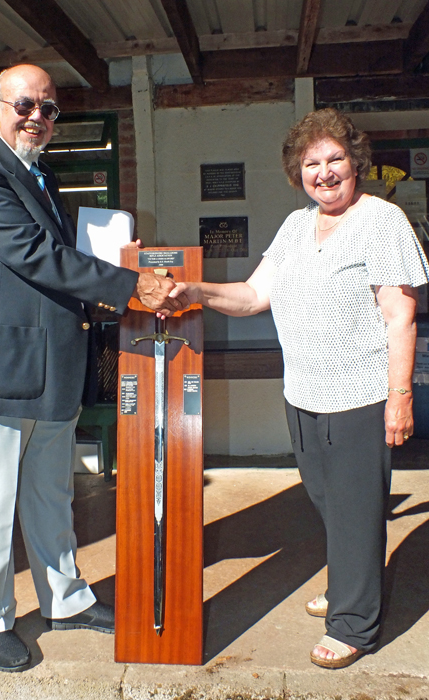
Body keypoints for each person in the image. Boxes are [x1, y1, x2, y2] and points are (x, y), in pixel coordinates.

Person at [0, 64, 185, 673]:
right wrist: (132, 286)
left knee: (51, 496)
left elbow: (67, 257)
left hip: (53, 366)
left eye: (49, 109)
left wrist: (116, 272)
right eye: (25, 104)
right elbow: (35, 256)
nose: (37, 118)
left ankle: (67, 600)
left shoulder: (42, 175)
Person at [170, 108, 429, 669]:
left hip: (359, 395)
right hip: (303, 393)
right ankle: (347, 587)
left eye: (335, 158)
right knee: (329, 501)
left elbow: (399, 318)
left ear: (354, 163)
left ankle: (354, 624)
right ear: (298, 171)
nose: (325, 172)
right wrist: (195, 290)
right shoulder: (295, 226)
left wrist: (399, 394)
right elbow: (252, 294)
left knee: (358, 509)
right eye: (312, 163)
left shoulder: (382, 221)